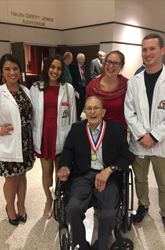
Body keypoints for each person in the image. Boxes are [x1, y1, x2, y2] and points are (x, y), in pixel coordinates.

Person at [57, 96, 135, 250]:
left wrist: (110, 170)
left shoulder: (117, 130)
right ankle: (81, 243)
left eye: (96, 108)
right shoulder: (77, 129)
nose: (93, 112)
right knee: (72, 207)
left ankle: (101, 245)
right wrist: (64, 165)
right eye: (89, 108)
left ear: (103, 111)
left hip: (108, 177)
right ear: (85, 112)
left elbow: (128, 156)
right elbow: (68, 150)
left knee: (108, 214)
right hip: (82, 176)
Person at [124, 33, 165, 228]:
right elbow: (129, 112)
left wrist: (155, 136)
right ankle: (143, 206)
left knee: (164, 182)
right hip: (140, 143)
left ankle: (164, 212)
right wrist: (143, 136)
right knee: (140, 179)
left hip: (162, 143)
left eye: (152, 49)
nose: (147, 53)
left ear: (162, 50)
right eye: (144, 49)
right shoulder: (134, 82)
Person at [30, 54, 76, 219]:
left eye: (58, 68)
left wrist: (72, 141)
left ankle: (58, 199)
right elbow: (31, 114)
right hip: (44, 136)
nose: (55, 71)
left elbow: (73, 117)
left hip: (62, 135)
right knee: (46, 171)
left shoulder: (68, 88)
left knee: (60, 171)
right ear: (47, 68)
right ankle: (48, 200)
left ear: (62, 70)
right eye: (52, 67)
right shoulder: (36, 87)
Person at [0, 54, 35, 226]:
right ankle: (10, 208)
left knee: (22, 176)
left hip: (26, 142)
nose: (12, 72)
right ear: (2, 72)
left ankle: (21, 206)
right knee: (11, 178)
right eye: (7, 69)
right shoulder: (0, 93)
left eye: (15, 68)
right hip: (7, 143)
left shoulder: (26, 91)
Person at [86, 50, 128, 129]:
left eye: (116, 63)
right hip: (96, 131)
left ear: (121, 67)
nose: (111, 66)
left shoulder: (127, 85)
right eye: (108, 62)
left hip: (118, 131)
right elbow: (88, 110)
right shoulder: (93, 86)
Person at [69, 53, 87, 121]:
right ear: (78, 59)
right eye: (82, 59)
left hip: (83, 85)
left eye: (84, 59)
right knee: (77, 102)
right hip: (76, 86)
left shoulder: (83, 66)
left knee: (83, 101)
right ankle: (76, 116)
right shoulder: (73, 66)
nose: (83, 61)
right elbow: (72, 77)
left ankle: (79, 115)